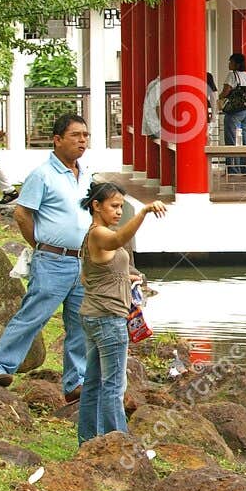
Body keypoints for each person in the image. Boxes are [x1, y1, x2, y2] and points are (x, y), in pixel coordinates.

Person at [0, 114, 90, 400]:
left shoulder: (87, 174)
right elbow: (22, 214)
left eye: (85, 136)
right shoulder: (42, 175)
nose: (82, 141)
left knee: (80, 323)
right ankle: (0, 367)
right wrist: (43, 245)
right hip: (52, 261)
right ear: (57, 140)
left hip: (82, 261)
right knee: (33, 315)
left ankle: (76, 382)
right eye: (76, 135)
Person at [76, 182, 166, 443]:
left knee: (93, 383)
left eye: (122, 208)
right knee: (113, 386)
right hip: (107, 319)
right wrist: (143, 212)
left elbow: (88, 277)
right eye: (114, 206)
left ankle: (89, 440)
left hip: (94, 315)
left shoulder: (93, 237)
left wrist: (127, 278)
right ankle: (119, 445)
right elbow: (118, 240)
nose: (118, 212)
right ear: (96, 205)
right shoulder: (98, 234)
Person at [218, 52, 246, 175]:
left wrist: (220, 97)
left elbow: (225, 91)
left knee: (231, 139)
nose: (229, 64)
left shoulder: (232, 75)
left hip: (235, 111)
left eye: (231, 62)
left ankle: (233, 170)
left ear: (237, 64)